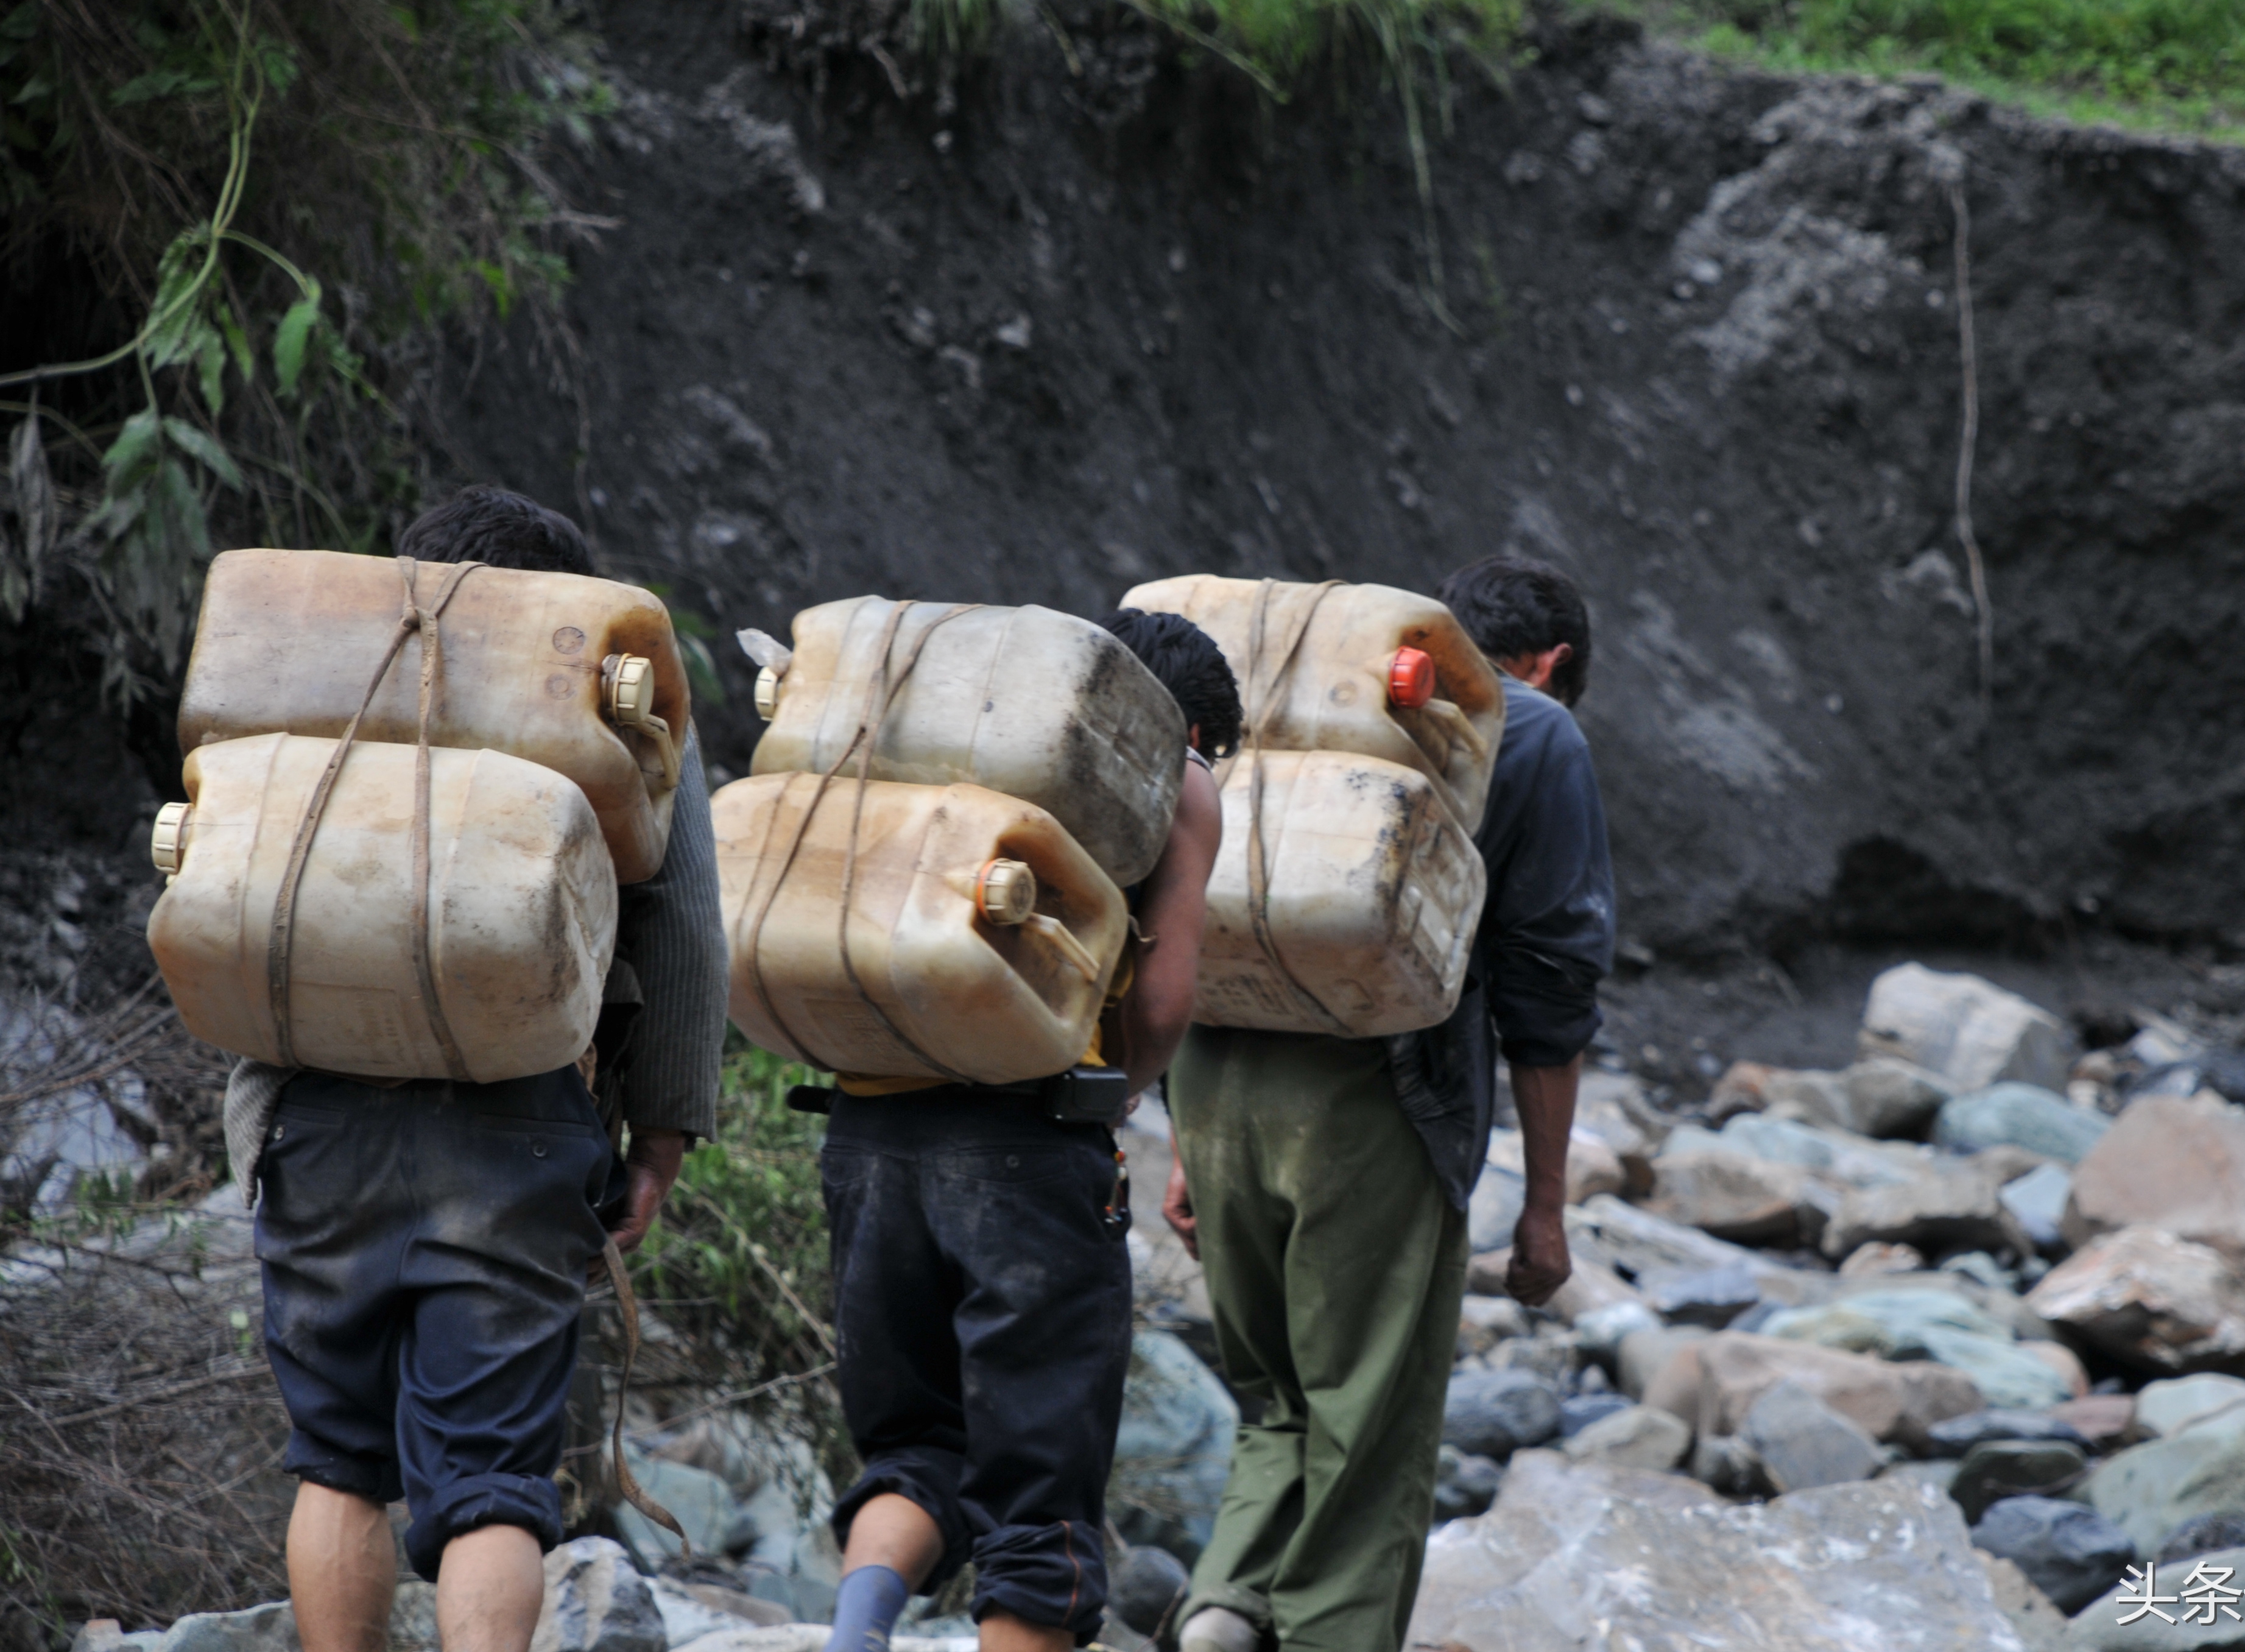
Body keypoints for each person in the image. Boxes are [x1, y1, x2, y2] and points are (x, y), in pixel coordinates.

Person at [224, 484, 730, 1652]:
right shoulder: (621, 697)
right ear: (571, 603)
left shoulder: (318, 661)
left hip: (317, 1106)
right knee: (490, 1476)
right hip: (517, 1123)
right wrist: (662, 1133)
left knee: (339, 1461)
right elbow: (688, 928)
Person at [1163, 556, 1615, 1652]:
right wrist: (1545, 1207)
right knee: (1369, 1425)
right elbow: (1548, 989)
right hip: (1378, 1105)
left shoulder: (1309, 712)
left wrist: (1181, 1139)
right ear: (1550, 664)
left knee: (1276, 1401)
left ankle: (1224, 1609)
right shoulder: (1536, 730)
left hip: (1213, 1080)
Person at [819, 609, 1234, 1652]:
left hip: (868, 1126)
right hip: (1027, 1145)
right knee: (1041, 1498)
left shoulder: (959, 735)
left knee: (914, 1450)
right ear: (1190, 727)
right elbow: (1167, 1002)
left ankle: (855, 1635)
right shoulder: (1174, 776)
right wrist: (1119, 1089)